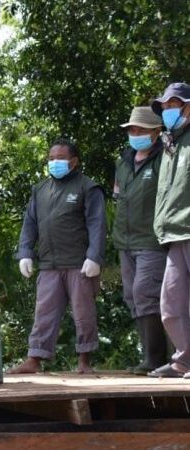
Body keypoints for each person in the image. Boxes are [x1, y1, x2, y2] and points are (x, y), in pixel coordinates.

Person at [10, 138, 106, 374]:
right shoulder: (41, 189)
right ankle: (35, 358)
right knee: (43, 312)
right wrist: (25, 253)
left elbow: (97, 224)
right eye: (51, 159)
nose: (54, 163)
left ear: (74, 162)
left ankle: (84, 361)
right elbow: (29, 224)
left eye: (60, 159)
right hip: (49, 264)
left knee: (84, 313)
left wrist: (94, 257)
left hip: (79, 263)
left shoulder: (87, 187)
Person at [113, 106, 168, 375]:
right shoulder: (123, 161)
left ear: (156, 132)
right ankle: (149, 356)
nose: (134, 134)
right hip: (125, 240)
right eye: (131, 129)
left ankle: (157, 358)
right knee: (133, 298)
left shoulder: (164, 159)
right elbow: (118, 198)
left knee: (146, 293)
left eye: (140, 129)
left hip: (151, 239)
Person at [148, 82, 190, 379]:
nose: (167, 111)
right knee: (170, 303)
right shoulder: (170, 143)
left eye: (173, 104)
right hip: (174, 233)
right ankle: (184, 359)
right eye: (164, 106)